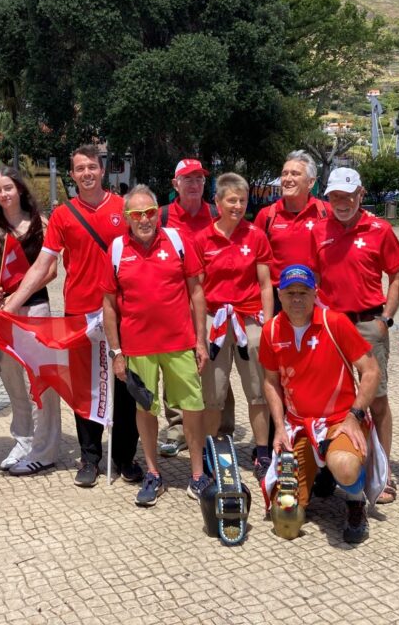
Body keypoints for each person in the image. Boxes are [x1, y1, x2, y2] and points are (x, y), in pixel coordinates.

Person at [1, 145, 140, 488]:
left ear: (102, 169)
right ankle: (90, 457)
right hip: (81, 312)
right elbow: (44, 264)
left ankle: (124, 457)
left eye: (92, 167)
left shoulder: (122, 209)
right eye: (80, 169)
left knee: (125, 386)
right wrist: (13, 303)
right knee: (85, 387)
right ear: (73, 174)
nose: (87, 173)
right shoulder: (63, 215)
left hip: (121, 311)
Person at [102, 184, 209, 506]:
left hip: (179, 344)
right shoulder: (117, 249)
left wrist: (201, 340)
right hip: (138, 348)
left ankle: (197, 474)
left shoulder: (177, 241)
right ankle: (153, 472)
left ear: (157, 212)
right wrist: (117, 353)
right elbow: (109, 305)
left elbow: (197, 293)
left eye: (150, 212)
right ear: (127, 218)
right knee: (144, 409)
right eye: (137, 214)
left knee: (192, 406)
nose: (145, 219)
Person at [260, 265, 381, 544]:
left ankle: (354, 502)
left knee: (345, 467)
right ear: (280, 294)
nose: (297, 299)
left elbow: (371, 371)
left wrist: (355, 416)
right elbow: (270, 382)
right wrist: (278, 428)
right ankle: (318, 477)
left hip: (339, 420)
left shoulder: (334, 322)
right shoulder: (271, 330)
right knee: (285, 521)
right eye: (290, 293)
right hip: (298, 425)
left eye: (304, 292)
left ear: (315, 293)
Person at [310, 167, 399, 504]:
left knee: (376, 400)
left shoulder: (380, 229)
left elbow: (397, 276)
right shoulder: (319, 230)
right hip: (332, 326)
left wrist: (387, 319)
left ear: (360, 194)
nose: (342, 202)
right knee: (331, 399)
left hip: (368, 325)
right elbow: (313, 280)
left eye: (348, 196)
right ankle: (335, 466)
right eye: (335, 196)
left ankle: (383, 473)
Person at [192, 172, 274, 479]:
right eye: (231, 200)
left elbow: (266, 283)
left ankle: (263, 452)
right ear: (217, 202)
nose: (237, 206)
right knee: (212, 392)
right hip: (215, 319)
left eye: (242, 200)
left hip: (249, 317)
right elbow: (196, 291)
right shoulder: (202, 239)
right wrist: (198, 334)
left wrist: (267, 326)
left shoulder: (255, 236)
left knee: (258, 389)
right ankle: (211, 452)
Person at [0, 165, 62, 475]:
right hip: (4, 311)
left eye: (8, 188)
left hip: (35, 309)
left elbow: (52, 269)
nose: (3, 194)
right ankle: (23, 438)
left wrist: (22, 289)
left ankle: (46, 446)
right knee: (11, 378)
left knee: (42, 381)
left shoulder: (40, 223)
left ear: (19, 189)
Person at [157, 158, 235, 457]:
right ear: (175, 184)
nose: (194, 184)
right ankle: (177, 427)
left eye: (199, 179)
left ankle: (222, 429)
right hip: (174, 304)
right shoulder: (163, 217)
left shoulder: (217, 214)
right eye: (187, 179)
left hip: (215, 305)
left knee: (218, 368)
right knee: (176, 366)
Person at [254, 150, 330, 298]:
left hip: (317, 295)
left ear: (311, 182)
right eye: (284, 173)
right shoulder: (266, 215)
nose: (287, 179)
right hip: (278, 297)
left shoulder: (327, 212)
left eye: (295, 174)